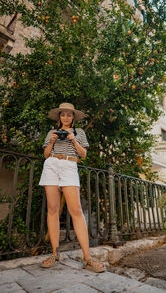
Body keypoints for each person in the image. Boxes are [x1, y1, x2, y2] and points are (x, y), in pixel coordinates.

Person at [39, 102, 105, 272]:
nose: (66, 117)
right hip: (52, 164)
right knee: (52, 209)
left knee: (75, 210)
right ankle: (54, 253)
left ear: (73, 117)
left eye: (69, 115)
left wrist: (73, 139)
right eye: (63, 114)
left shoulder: (80, 133)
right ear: (59, 116)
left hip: (69, 165)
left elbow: (83, 154)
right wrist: (52, 141)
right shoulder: (51, 132)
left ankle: (87, 258)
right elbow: (45, 154)